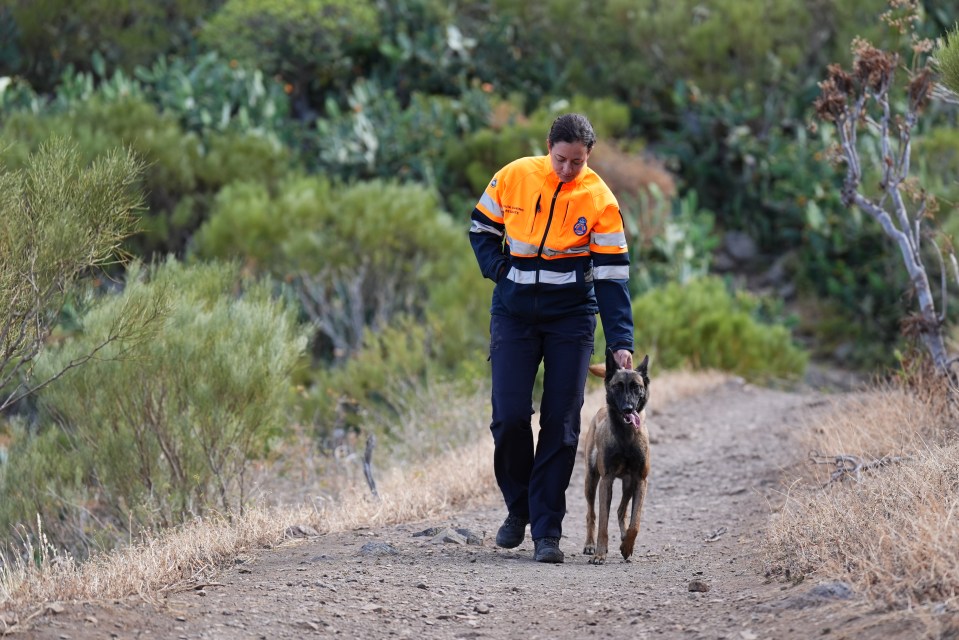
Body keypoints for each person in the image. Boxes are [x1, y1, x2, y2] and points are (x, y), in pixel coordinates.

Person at [468, 113, 635, 563]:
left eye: (576, 162)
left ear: (589, 156)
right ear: (549, 148)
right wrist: (500, 271)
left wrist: (620, 341)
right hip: (514, 316)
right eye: (560, 159)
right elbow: (480, 229)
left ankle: (547, 532)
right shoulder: (515, 176)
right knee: (508, 418)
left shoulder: (599, 199)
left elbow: (612, 277)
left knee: (561, 426)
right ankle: (518, 509)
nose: (566, 169)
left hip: (572, 320)